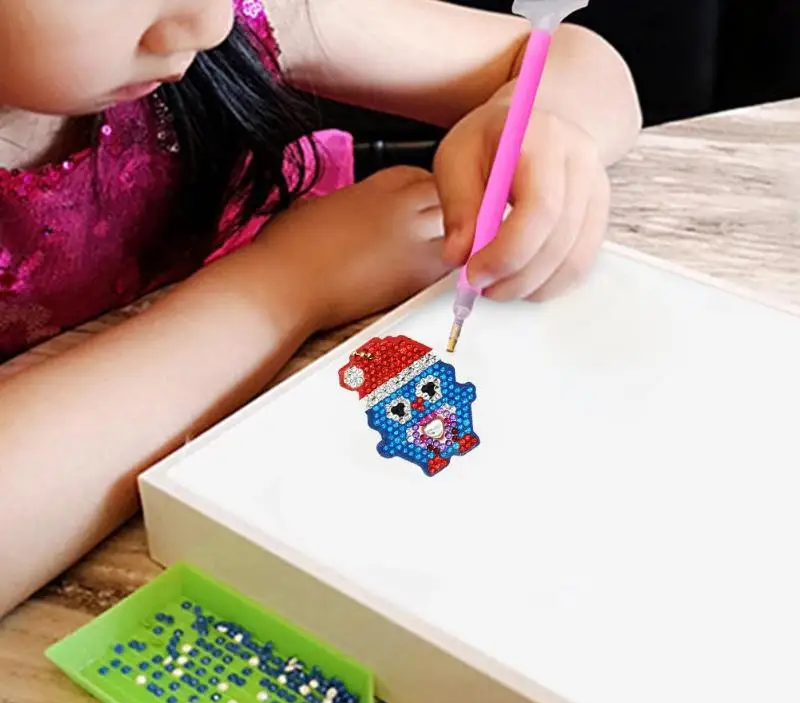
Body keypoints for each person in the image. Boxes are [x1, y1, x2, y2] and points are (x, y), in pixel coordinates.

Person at [0, 0, 641, 616]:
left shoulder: (244, 15)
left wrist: (541, 118)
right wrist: (288, 280)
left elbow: (567, 58)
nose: (212, 23)